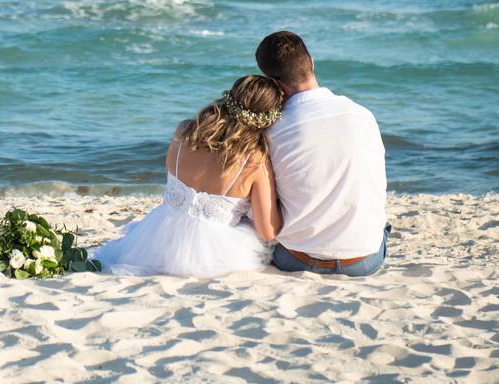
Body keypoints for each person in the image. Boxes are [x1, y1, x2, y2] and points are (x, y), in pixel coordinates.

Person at [94, 76, 284, 277]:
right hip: (215, 252)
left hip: (157, 238)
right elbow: (267, 231)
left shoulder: (184, 131)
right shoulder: (253, 160)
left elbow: (170, 175)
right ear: (266, 119)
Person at [256, 31, 389, 277]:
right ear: (312, 63)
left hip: (296, 259)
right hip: (364, 260)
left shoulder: (272, 129)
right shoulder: (362, 115)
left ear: (272, 83)